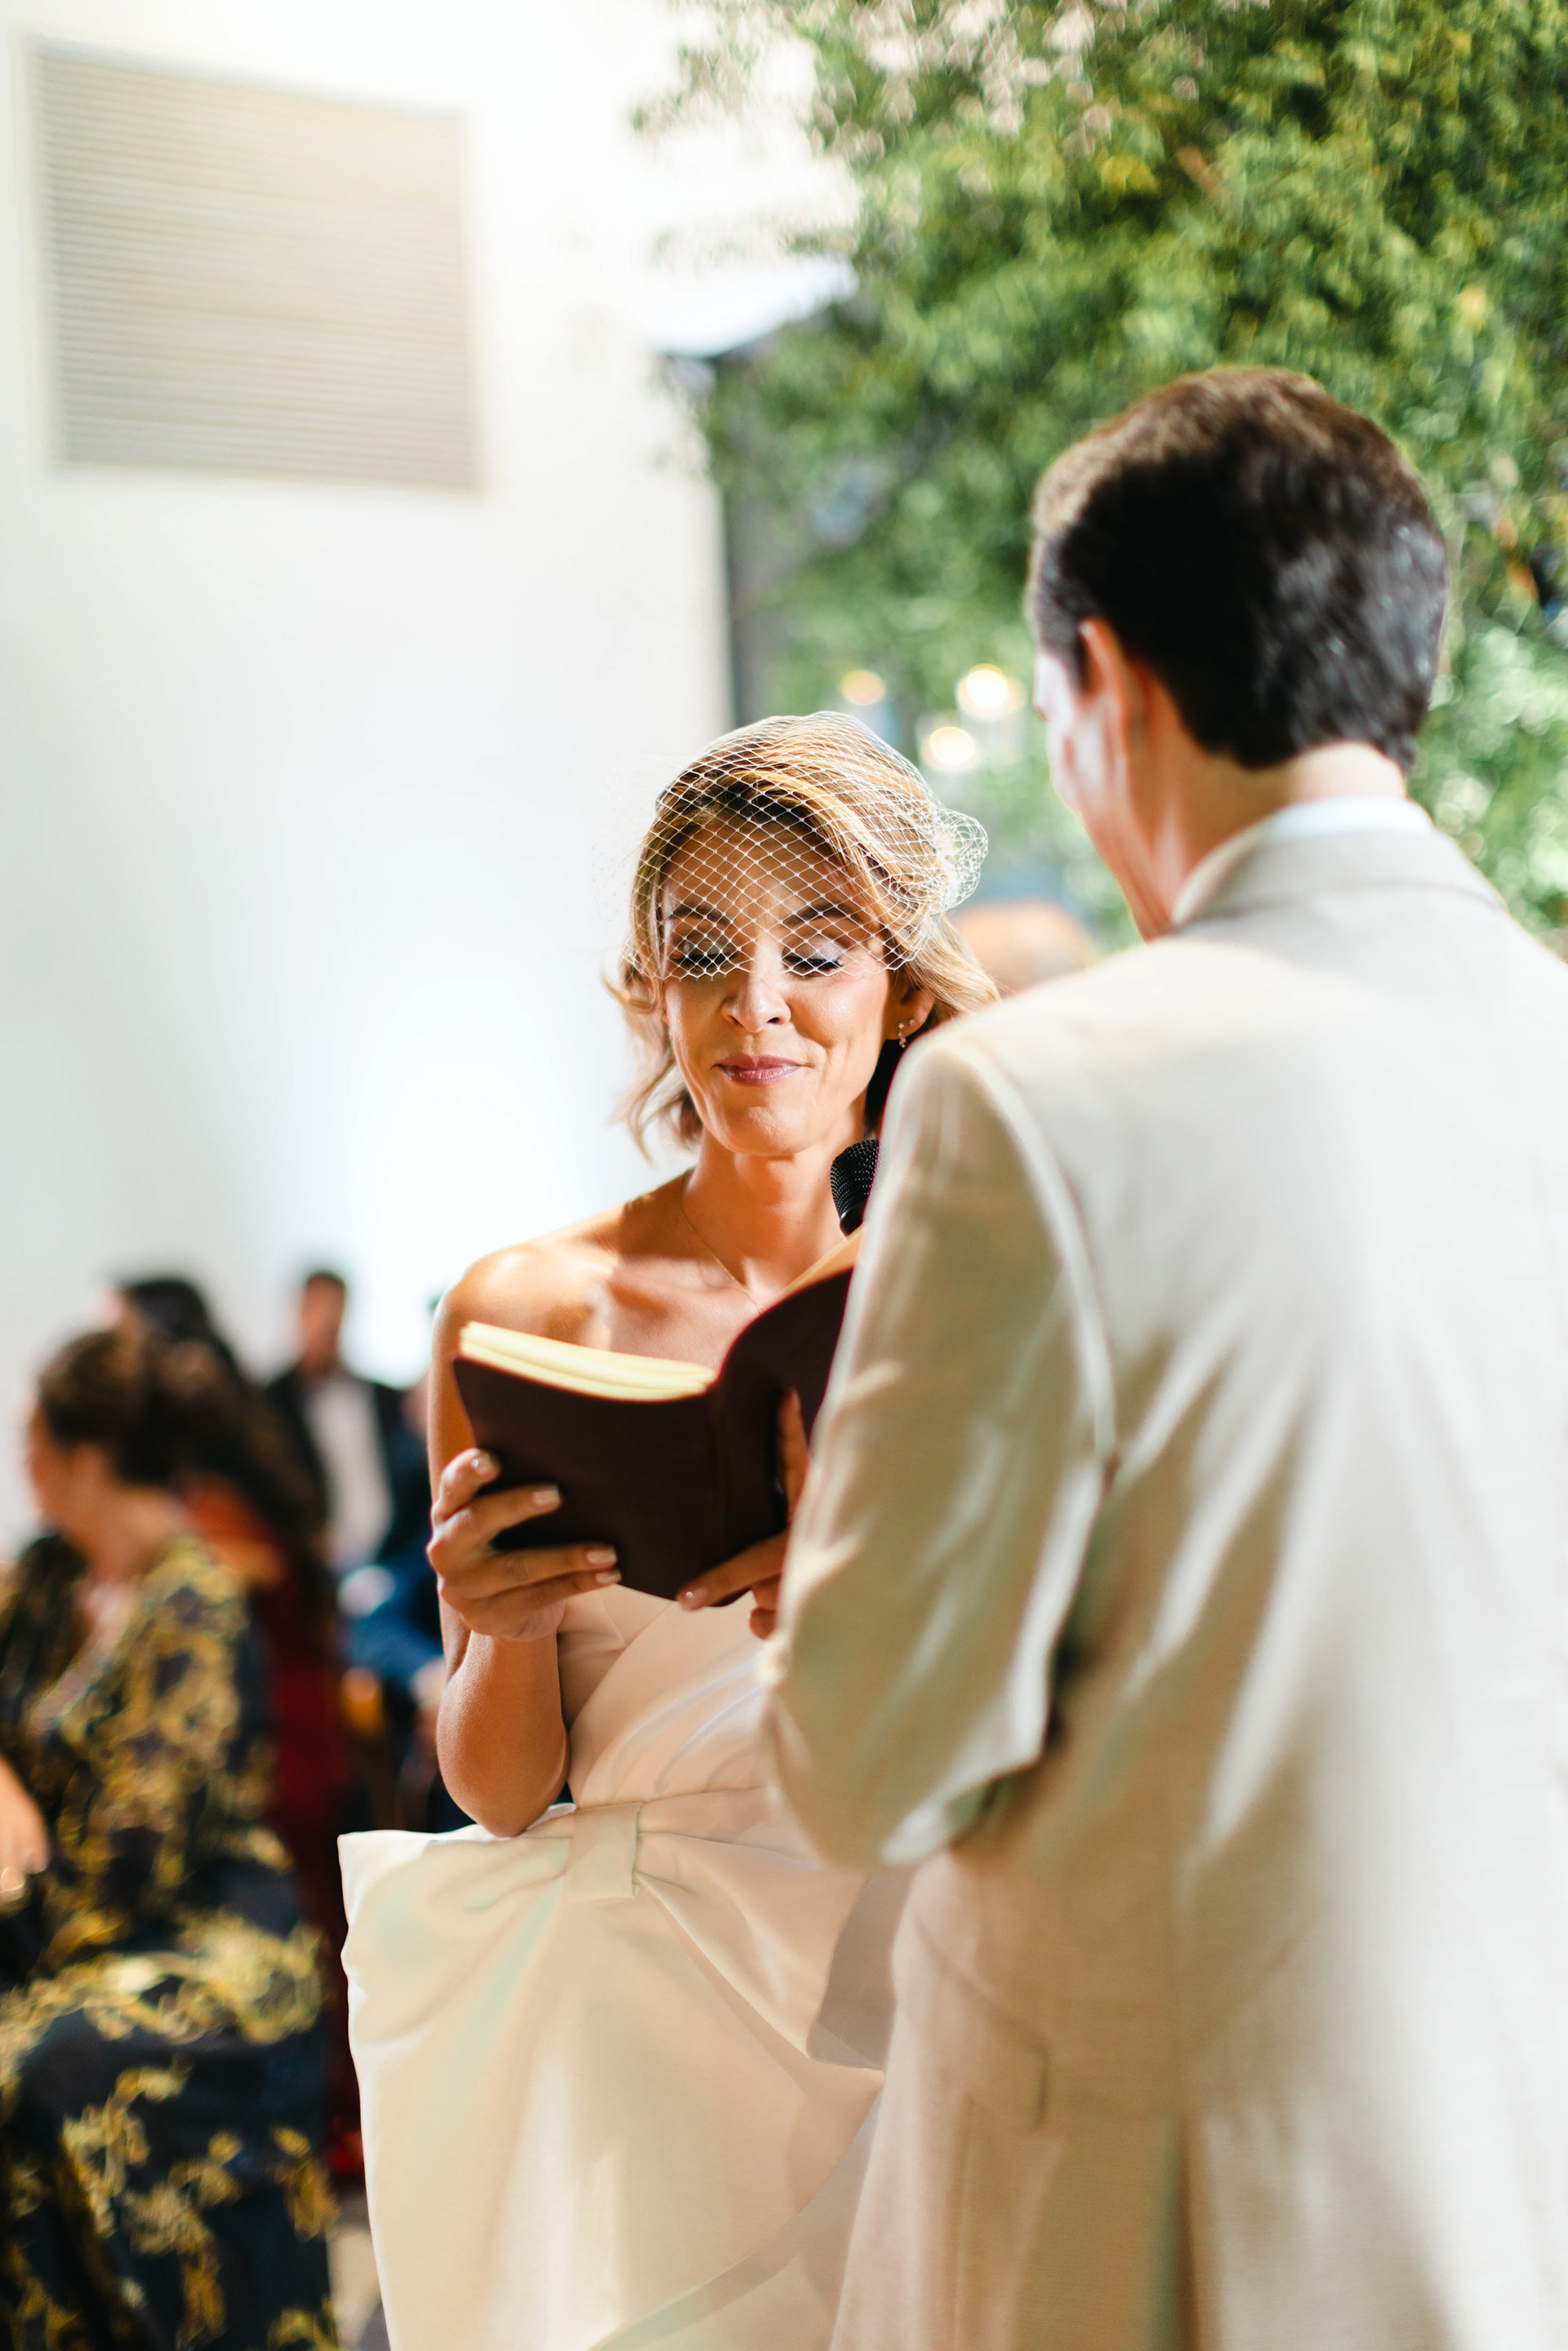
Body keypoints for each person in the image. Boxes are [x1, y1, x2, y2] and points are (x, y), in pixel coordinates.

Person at [760, 371, 1568, 2349]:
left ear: (1102, 682)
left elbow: (869, 1759)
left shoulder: (1038, 1098)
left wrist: (814, 1537)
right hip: (1510, 2163)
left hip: (1157, 2215)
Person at [340, 714, 996, 2351]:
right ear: (650, 988)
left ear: (903, 992)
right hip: (648, 1990)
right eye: (705, 950)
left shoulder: (983, 1295)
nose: (756, 1001)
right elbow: (501, 1788)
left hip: (917, 1949)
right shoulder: (528, 1307)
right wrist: (497, 1628)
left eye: (816, 950)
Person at [0, 1323, 336, 2348]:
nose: (21, 1456)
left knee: (41, 2062)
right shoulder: (48, 1576)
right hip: (58, 1912)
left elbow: (129, 1859)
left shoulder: (192, 1599)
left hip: (202, 1922)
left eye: (32, 1436)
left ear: (85, 1458)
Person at [115, 1276, 359, 2168]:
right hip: (290, 1712)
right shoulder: (234, 1460)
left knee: (299, 1922)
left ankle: (329, 2121)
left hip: (274, 1726)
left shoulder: (208, 1510)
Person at [266, 1269, 430, 1583]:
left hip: (395, 1552)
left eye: (334, 1311)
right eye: (316, 1309)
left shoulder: (384, 1397)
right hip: (318, 1563)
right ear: (299, 1313)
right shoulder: (271, 1404)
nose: (326, 1323)